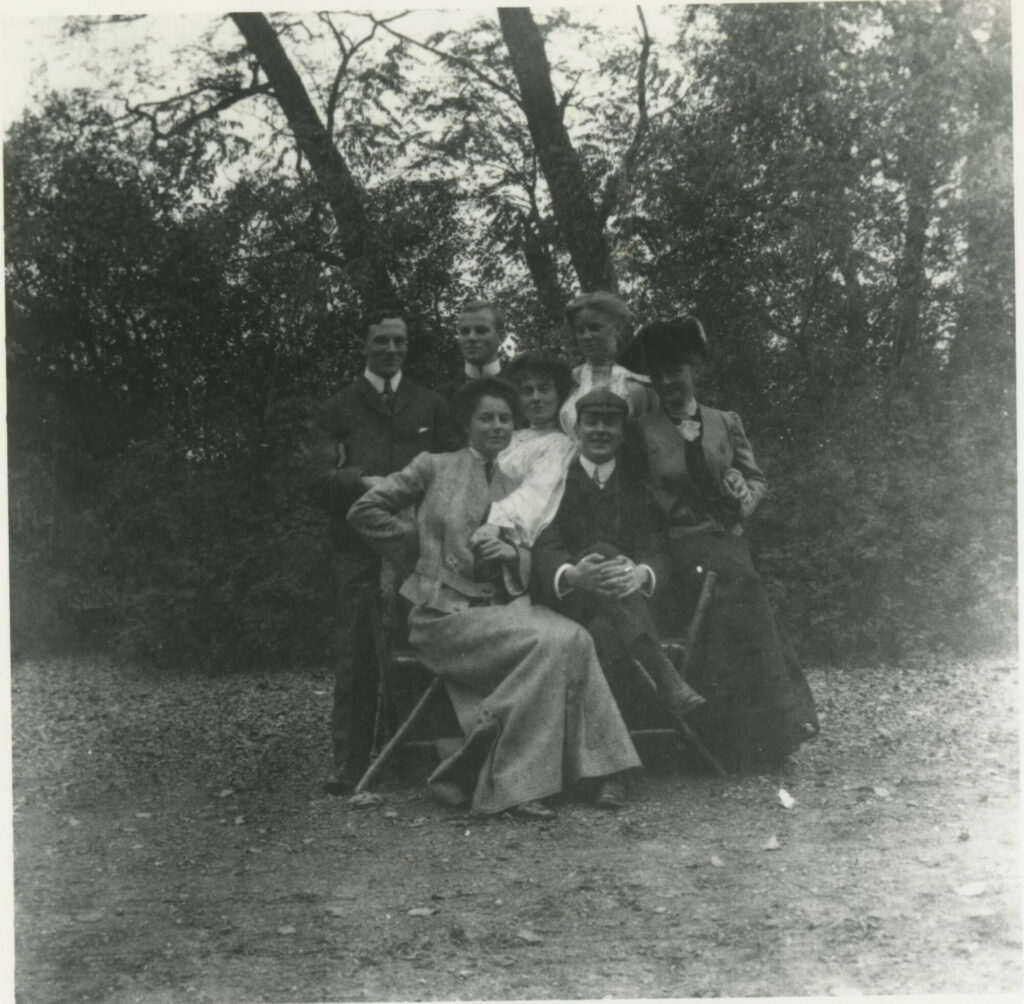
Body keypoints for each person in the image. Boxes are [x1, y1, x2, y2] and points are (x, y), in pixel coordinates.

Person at [348, 377, 640, 818]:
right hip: (443, 617)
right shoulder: (433, 465)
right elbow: (364, 510)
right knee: (547, 643)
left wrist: (513, 554)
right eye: (487, 417)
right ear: (467, 423)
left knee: (575, 637)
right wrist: (418, 549)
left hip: (504, 609)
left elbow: (535, 547)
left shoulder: (521, 478)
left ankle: (604, 769)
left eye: (505, 418)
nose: (498, 426)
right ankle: (514, 786)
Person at [619, 315, 820, 769]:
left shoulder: (725, 422)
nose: (669, 381)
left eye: (678, 371)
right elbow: (635, 498)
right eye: (660, 374)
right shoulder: (642, 430)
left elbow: (755, 478)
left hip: (726, 536)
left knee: (739, 581)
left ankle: (763, 729)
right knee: (742, 583)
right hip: (676, 544)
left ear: (696, 371)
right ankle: (761, 724)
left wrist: (743, 496)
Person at [307, 308, 454, 794]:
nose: (390, 351)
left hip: (421, 544)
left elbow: (452, 472)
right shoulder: (338, 407)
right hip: (358, 543)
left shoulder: (430, 404)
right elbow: (316, 478)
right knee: (357, 647)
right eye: (381, 342)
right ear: (364, 345)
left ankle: (416, 754)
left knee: (426, 639)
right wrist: (361, 481)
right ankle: (348, 764)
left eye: (398, 342)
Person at [531, 387, 707, 768]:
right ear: (576, 430)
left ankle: (609, 770)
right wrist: (575, 574)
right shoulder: (556, 481)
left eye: (609, 424)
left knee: (606, 634)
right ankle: (659, 668)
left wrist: (639, 574)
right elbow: (545, 546)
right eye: (591, 423)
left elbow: (656, 548)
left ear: (623, 433)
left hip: (622, 611)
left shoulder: (637, 486)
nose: (599, 431)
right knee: (604, 554)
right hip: (568, 604)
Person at [476, 350, 578, 548]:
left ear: (558, 394)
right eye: (527, 391)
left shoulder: (560, 444)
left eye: (544, 389)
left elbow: (536, 491)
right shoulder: (510, 436)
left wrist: (497, 523)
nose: (536, 397)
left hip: (507, 534)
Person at [559, 291, 657, 441]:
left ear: (616, 329)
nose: (586, 336)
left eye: (594, 328)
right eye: (580, 330)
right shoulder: (571, 380)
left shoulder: (637, 380)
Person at [434, 299, 505, 406]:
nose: (471, 337)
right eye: (465, 331)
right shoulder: (438, 399)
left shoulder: (522, 392)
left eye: (481, 330)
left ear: (500, 337)